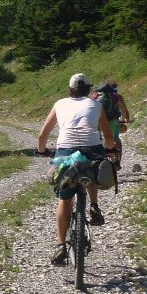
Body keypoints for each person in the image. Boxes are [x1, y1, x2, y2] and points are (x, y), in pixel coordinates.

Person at [37, 72, 118, 265]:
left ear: (70, 89)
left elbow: (42, 135)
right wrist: (110, 148)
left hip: (65, 151)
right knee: (91, 169)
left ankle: (61, 246)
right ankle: (94, 205)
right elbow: (107, 135)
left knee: (64, 199)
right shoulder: (95, 104)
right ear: (89, 89)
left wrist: (42, 151)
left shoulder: (59, 104)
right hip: (92, 149)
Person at [91, 79, 131, 160]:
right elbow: (124, 110)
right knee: (115, 138)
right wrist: (122, 121)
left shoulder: (94, 96)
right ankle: (116, 160)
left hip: (98, 121)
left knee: (99, 139)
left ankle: (104, 160)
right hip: (113, 121)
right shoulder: (116, 96)